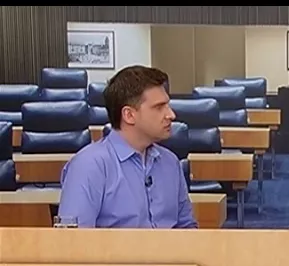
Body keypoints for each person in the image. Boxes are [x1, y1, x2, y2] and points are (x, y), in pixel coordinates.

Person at [57, 65, 198, 229]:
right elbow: (72, 240)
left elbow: (186, 228)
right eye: (159, 107)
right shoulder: (88, 166)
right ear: (129, 115)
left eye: (168, 105)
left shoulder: (170, 162)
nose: (171, 115)